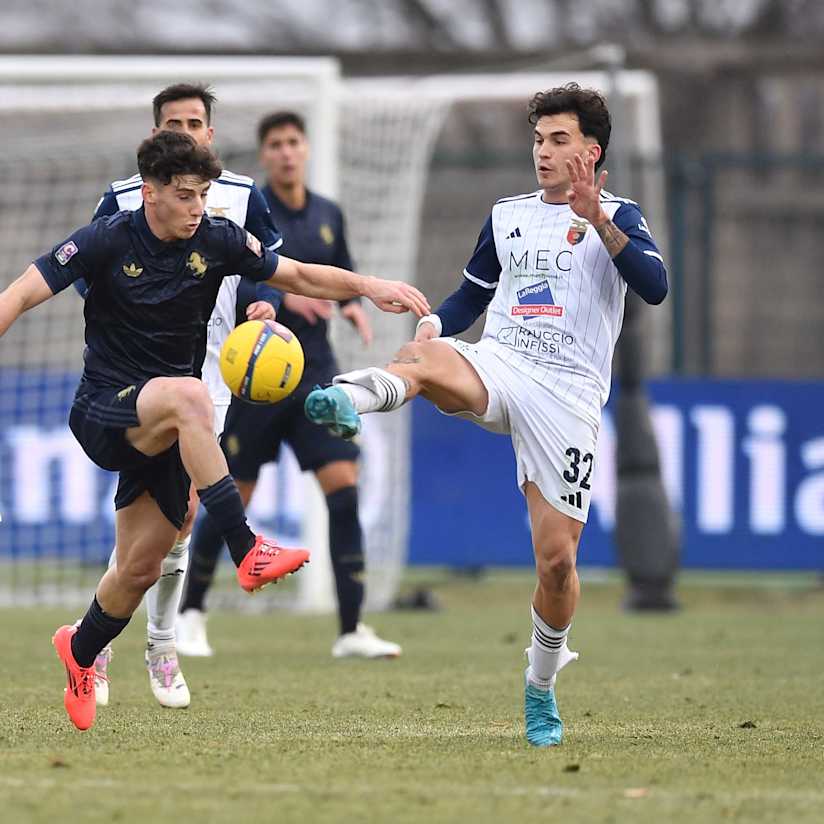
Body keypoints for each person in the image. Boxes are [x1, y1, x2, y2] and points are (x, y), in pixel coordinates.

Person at [0, 130, 429, 732]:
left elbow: (300, 276)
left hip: (170, 426)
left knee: (139, 569)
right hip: (105, 408)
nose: (198, 206)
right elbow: (21, 292)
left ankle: (81, 645)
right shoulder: (105, 239)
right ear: (149, 192)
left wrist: (368, 285)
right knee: (192, 393)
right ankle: (246, 547)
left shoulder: (219, 240)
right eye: (184, 195)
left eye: (203, 194)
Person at [305, 83, 668, 746]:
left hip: (567, 397)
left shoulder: (620, 216)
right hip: (500, 361)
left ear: (591, 151)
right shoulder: (508, 216)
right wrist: (434, 321)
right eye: (538, 140)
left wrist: (599, 221)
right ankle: (346, 399)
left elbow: (655, 285)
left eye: (559, 140)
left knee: (557, 562)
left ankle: (540, 686)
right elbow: (472, 292)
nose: (544, 152)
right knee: (427, 355)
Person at [81, 83, 284, 710]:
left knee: (179, 519)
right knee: (151, 528)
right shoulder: (119, 205)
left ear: (212, 134)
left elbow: (277, 270)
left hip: (220, 367)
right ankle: (132, 630)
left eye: (198, 122)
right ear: (155, 138)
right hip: (139, 378)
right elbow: (94, 280)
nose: (189, 131)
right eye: (176, 123)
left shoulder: (240, 201)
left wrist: (265, 307)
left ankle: (153, 644)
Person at [178, 111, 400, 660]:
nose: (285, 152)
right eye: (274, 144)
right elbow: (262, 271)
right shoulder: (249, 207)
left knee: (343, 489)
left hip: (314, 373)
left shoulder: (328, 214)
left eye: (293, 142)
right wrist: (279, 296)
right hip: (252, 376)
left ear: (305, 148)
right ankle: (190, 615)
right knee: (232, 498)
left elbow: (340, 271)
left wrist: (350, 306)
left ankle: (352, 629)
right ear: (265, 152)